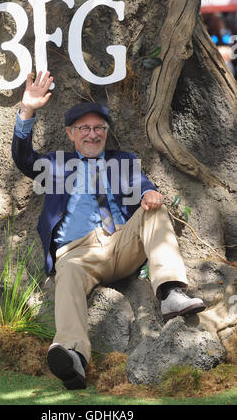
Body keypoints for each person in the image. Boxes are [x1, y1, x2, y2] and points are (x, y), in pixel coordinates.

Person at [12, 71, 206, 390]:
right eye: (84, 129)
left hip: (119, 243)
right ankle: (73, 357)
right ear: (71, 134)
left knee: (154, 209)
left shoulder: (124, 161)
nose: (92, 134)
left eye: (98, 128)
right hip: (77, 254)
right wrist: (27, 110)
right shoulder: (56, 164)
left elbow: (144, 186)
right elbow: (23, 158)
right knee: (68, 278)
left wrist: (148, 194)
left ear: (106, 133)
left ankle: (171, 292)